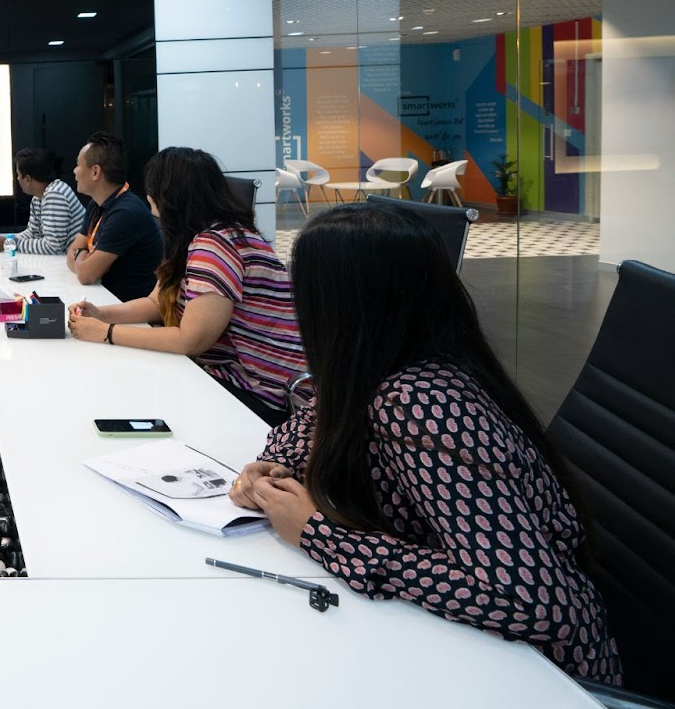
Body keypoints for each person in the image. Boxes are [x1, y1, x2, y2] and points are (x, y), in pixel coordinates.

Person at [227, 203, 621, 684]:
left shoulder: (420, 404)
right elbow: (309, 426)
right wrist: (269, 470)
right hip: (453, 643)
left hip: (538, 676)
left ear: (339, 307)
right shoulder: (372, 366)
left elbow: (533, 602)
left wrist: (321, 535)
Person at [67, 147, 305, 425]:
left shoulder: (215, 245)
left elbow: (191, 340)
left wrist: (106, 333)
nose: (147, 196)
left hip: (262, 392)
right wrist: (101, 315)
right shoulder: (196, 238)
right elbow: (157, 303)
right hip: (232, 375)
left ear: (168, 196)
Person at [64, 131, 162, 300]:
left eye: (78, 164)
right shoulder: (96, 204)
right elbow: (71, 252)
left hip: (129, 307)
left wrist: (82, 255)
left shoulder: (126, 212)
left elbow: (86, 275)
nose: (74, 171)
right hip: (104, 296)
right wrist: (83, 256)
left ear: (95, 172)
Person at [0, 147, 82, 254]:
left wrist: (8, 243)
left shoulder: (55, 195)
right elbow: (32, 233)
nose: (17, 179)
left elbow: (53, 247)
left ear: (28, 179)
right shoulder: (38, 197)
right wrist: (2, 240)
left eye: (18, 174)